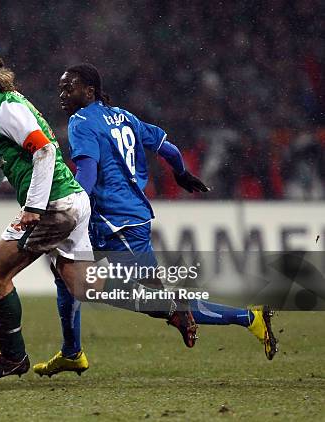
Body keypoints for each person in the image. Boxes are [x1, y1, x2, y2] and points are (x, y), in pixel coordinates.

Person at [0, 43, 198, 382]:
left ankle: (13, 358)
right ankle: (172, 309)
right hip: (70, 203)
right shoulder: (4, 107)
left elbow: (43, 149)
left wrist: (34, 208)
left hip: (55, 206)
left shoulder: (5, 109)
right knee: (84, 286)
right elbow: (8, 163)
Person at [33, 63, 278, 377]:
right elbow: (167, 147)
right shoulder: (124, 116)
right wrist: (182, 174)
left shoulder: (81, 121)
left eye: (70, 87)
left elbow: (88, 174)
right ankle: (71, 352)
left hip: (118, 223)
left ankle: (249, 318)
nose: (62, 94)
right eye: (61, 88)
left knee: (157, 300)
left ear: (90, 91)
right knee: (65, 272)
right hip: (109, 220)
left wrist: (66, 208)